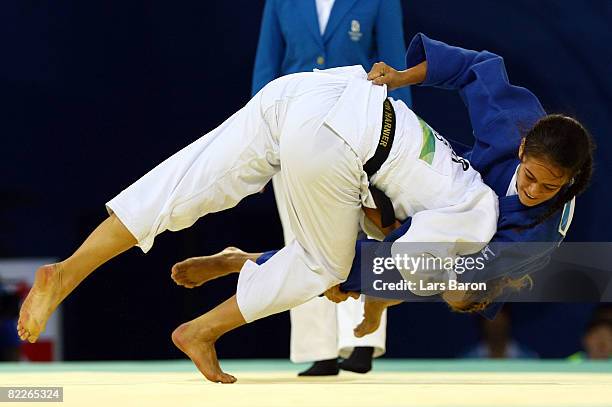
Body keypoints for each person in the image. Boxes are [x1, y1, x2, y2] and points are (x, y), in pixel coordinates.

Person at [17, 63, 499, 383]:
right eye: (451, 292)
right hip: (341, 133)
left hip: (308, 91)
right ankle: (202, 329)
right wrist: (372, 309)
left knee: (178, 185)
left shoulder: (449, 184)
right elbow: (395, 265)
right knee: (324, 265)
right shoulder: (476, 221)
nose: (441, 292)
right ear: (469, 268)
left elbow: (382, 228)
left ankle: (66, 273)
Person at [194, 33, 595, 337]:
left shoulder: (529, 236)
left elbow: (448, 282)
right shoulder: (517, 122)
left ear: (571, 180)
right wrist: (403, 77)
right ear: (523, 148)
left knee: (372, 269)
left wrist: (382, 251)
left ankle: (246, 260)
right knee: (352, 261)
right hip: (454, 178)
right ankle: (350, 288)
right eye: (530, 177)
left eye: (550, 187)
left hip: (479, 242)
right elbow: (476, 67)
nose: (534, 191)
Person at [252, 0, 412, 375]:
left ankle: (362, 342)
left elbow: (396, 69)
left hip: (361, 127)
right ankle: (318, 347)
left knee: (368, 229)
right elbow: (266, 68)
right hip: (291, 128)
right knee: (300, 239)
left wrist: (400, 135)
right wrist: (260, 141)